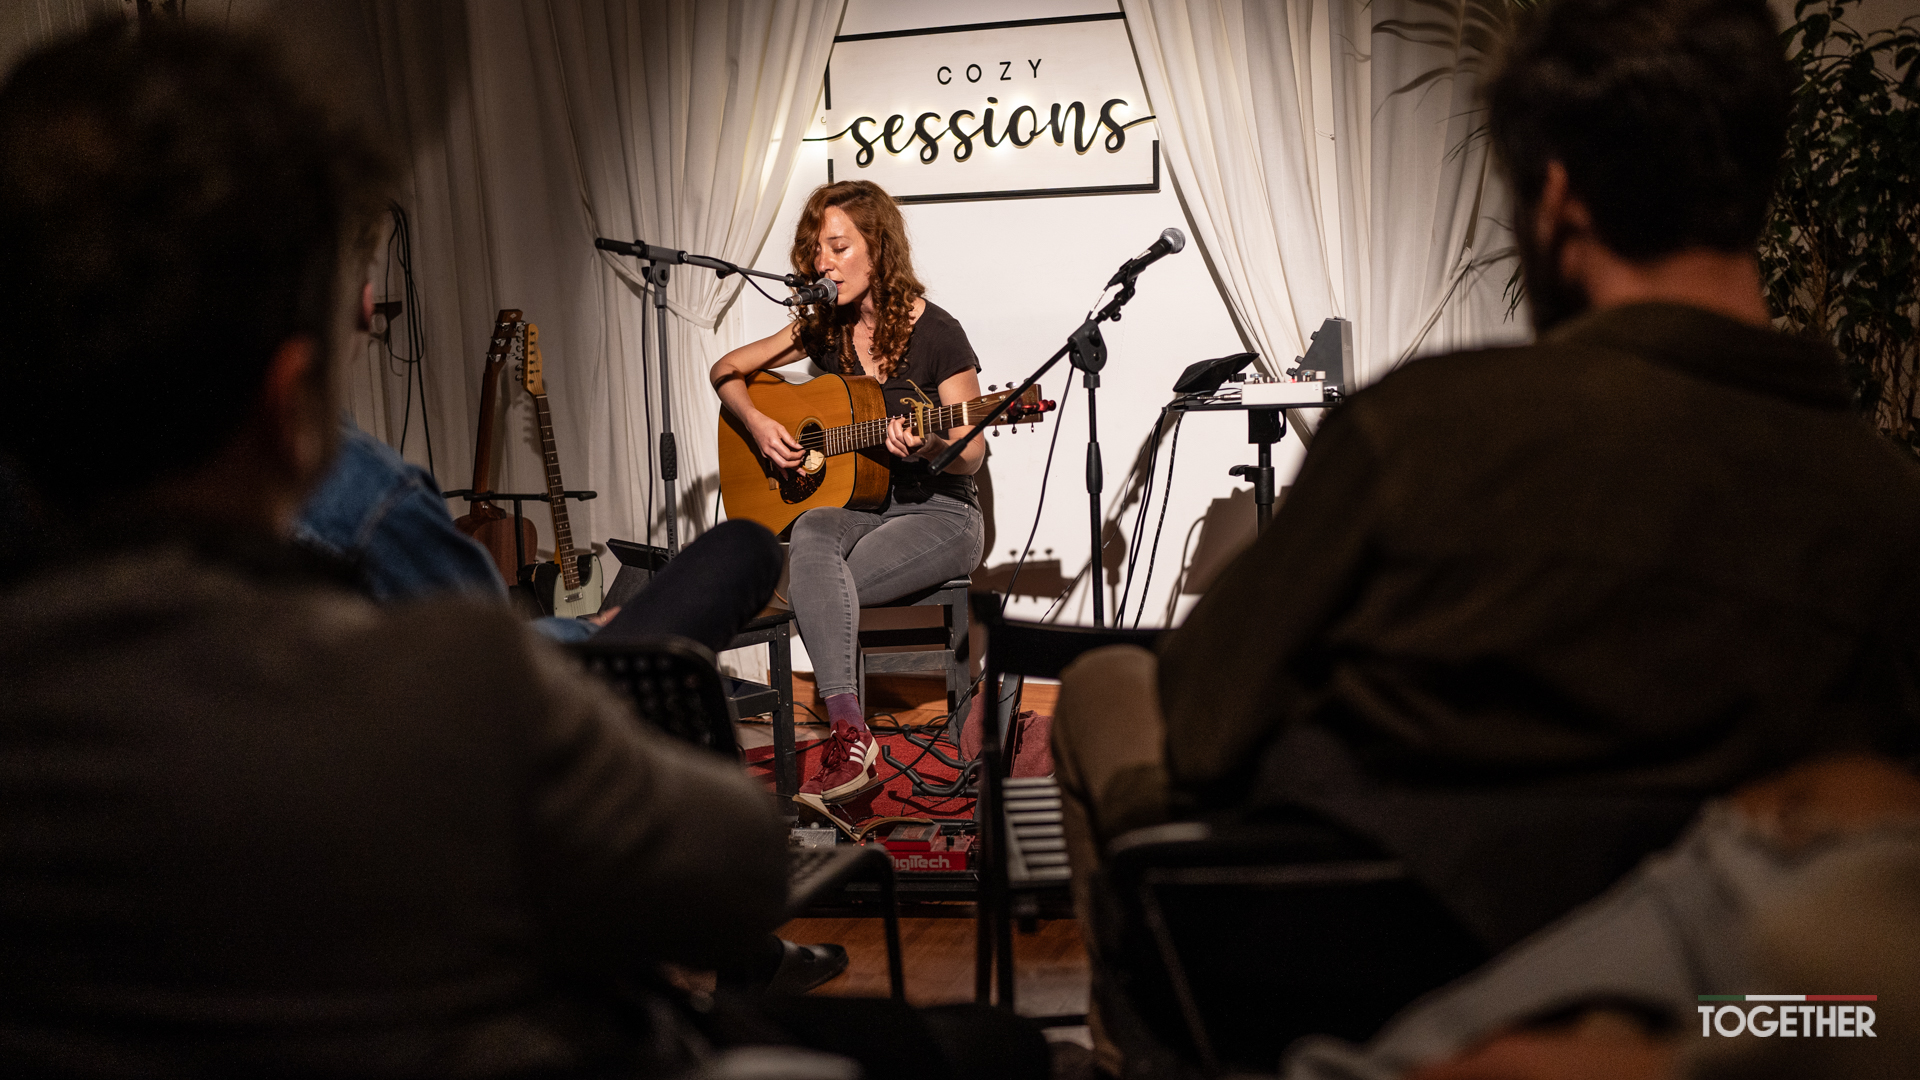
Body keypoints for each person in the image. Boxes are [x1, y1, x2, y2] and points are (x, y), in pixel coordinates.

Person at [0, 22, 1045, 1079]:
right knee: (984, 1048)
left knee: (752, 554)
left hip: (921, 515)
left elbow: (963, 450)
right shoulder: (439, 670)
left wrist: (934, 443)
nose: (371, 312)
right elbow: (729, 869)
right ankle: (707, 671)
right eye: (356, 310)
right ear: (288, 401)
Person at [1051, 0, 1920, 1070]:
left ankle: (1141, 1057)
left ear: (1556, 198)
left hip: (1348, 977)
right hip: (1711, 1010)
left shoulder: (1424, 427)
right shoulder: (1888, 506)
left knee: (1105, 685)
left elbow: (1204, 719)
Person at [711, 180, 989, 815]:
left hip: (942, 514)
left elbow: (972, 452)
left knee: (815, 588)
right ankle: (851, 732)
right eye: (817, 250)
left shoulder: (938, 332)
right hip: (869, 507)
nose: (825, 263)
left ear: (878, 248)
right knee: (812, 528)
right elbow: (725, 370)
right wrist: (760, 423)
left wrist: (928, 443)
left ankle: (845, 734)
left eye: (838, 247)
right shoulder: (825, 328)